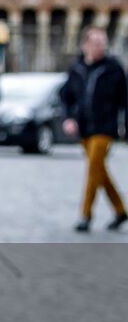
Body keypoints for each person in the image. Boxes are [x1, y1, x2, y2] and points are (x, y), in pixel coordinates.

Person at [60, 26, 128, 232]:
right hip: (84, 127)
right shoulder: (77, 68)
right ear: (85, 45)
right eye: (97, 43)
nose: (101, 47)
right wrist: (69, 118)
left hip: (105, 127)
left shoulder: (113, 68)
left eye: (103, 43)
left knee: (93, 168)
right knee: (99, 170)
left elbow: (125, 100)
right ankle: (120, 210)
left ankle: (86, 215)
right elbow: (66, 96)